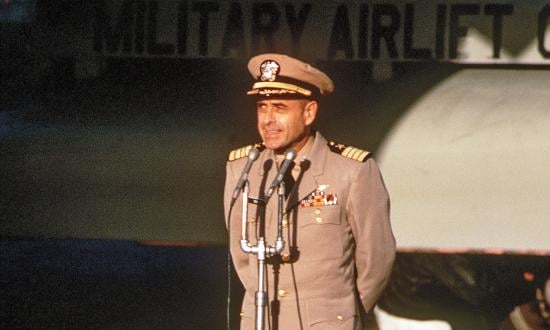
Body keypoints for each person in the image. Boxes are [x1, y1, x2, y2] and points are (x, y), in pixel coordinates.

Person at [224, 53, 396, 330]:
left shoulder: (352, 170)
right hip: (262, 320)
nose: (268, 119)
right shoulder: (243, 167)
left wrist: (343, 313)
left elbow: (377, 260)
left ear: (309, 112)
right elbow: (241, 254)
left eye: (279, 107)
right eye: (262, 107)